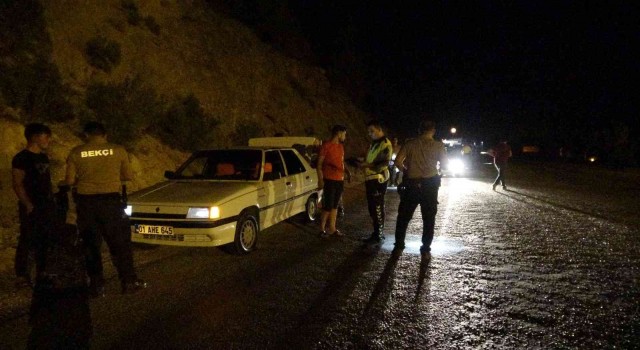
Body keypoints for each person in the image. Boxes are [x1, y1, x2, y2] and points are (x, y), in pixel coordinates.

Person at [65, 122, 146, 296]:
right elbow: (127, 176)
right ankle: (129, 282)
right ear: (105, 135)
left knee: (91, 245)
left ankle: (96, 286)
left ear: (86, 135)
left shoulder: (76, 152)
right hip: (111, 203)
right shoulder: (118, 150)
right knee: (120, 244)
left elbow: (70, 181)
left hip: (86, 204)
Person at [11, 123, 55, 289]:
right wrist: (28, 204)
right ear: (35, 137)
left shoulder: (43, 157)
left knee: (46, 239)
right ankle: (21, 276)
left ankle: (43, 272)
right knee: (27, 239)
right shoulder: (21, 158)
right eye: (46, 136)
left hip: (47, 205)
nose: (48, 140)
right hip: (31, 206)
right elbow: (17, 183)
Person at [394, 120, 447, 255]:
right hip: (430, 185)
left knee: (404, 216)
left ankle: (399, 244)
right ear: (433, 131)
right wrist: (437, 171)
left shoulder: (409, 144)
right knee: (429, 218)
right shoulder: (439, 146)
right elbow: (444, 166)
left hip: (412, 184)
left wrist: (407, 170)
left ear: (419, 130)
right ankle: (425, 247)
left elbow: (398, 162)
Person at [359, 120, 393, 245]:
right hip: (370, 178)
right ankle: (376, 232)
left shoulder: (385, 144)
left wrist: (367, 165)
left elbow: (384, 163)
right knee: (372, 207)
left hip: (378, 179)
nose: (370, 134)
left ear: (379, 130)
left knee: (377, 206)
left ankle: (379, 234)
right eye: (368, 132)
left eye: (372, 131)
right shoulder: (374, 144)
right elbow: (370, 159)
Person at [317, 125, 348, 237]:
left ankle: (332, 228)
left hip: (340, 180)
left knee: (335, 205)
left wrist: (346, 172)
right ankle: (321, 229)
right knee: (328, 206)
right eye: (344, 134)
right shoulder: (326, 146)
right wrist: (320, 180)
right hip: (329, 179)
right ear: (338, 133)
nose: (345, 137)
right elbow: (319, 164)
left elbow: (341, 162)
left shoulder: (341, 147)